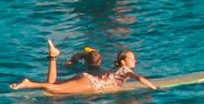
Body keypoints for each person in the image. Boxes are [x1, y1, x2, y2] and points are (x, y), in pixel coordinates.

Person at [12, 37, 156, 93]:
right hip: (91, 83)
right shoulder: (124, 69)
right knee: (57, 91)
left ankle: (53, 58)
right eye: (132, 58)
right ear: (124, 62)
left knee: (53, 84)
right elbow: (140, 79)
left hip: (87, 77)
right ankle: (28, 84)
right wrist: (154, 88)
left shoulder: (117, 68)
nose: (135, 60)